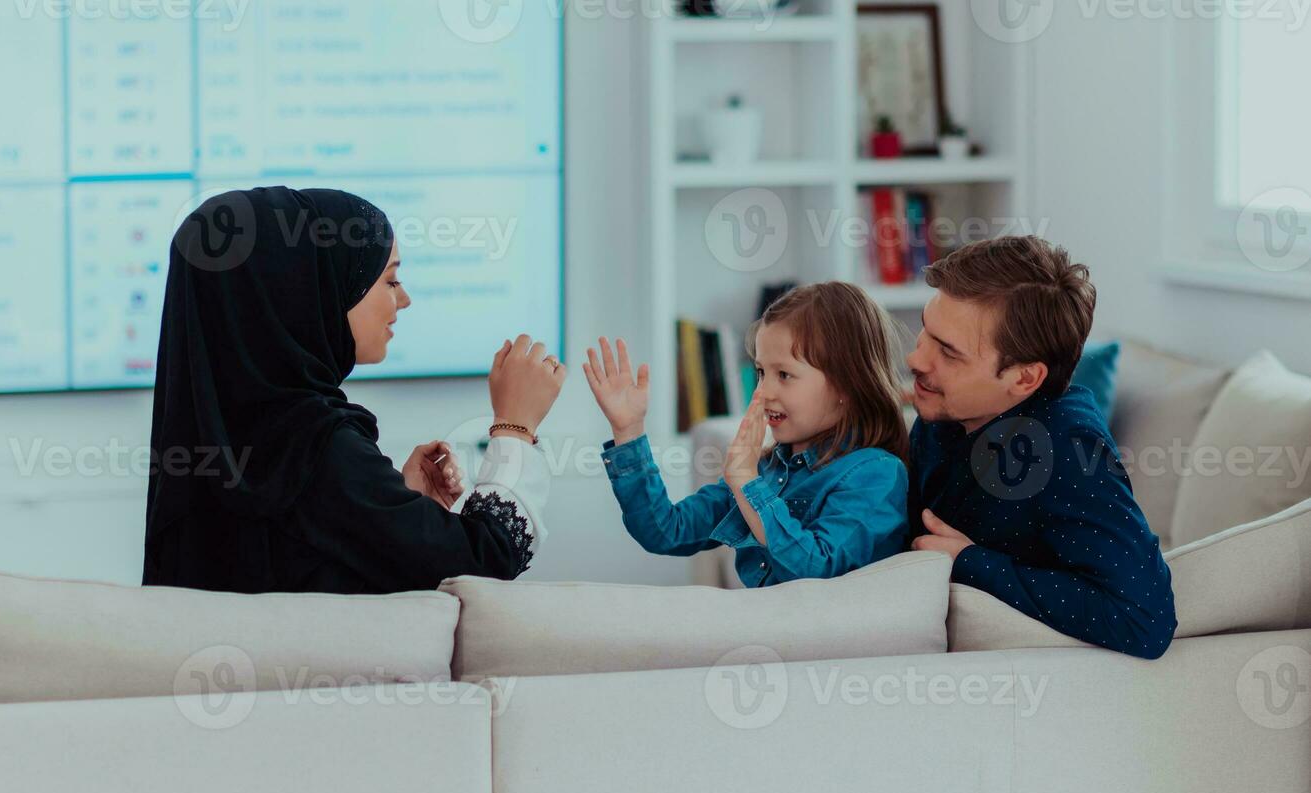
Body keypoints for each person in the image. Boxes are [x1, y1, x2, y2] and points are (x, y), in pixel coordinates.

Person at [143, 186, 566, 594]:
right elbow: (485, 561)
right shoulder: (313, 447)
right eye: (390, 280)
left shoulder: (207, 441)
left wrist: (397, 509)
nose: (404, 301)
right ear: (311, 290)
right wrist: (515, 429)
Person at [906, 235, 1175, 659]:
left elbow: (1143, 620)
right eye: (926, 329)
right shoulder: (945, 413)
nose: (916, 360)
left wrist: (970, 562)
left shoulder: (1068, 453)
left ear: (1024, 379)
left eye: (949, 353)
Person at [586, 282, 911, 586]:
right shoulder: (766, 471)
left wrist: (747, 484)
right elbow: (665, 530)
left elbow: (817, 571)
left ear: (847, 385)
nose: (762, 391)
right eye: (760, 372)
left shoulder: (876, 474)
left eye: (784, 374)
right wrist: (628, 431)